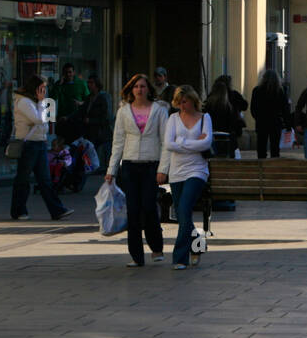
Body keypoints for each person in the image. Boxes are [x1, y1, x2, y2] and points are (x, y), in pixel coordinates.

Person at [105, 73, 170, 265]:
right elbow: (118, 142)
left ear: (149, 89)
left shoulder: (159, 110)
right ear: (130, 90)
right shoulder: (124, 112)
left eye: (142, 86)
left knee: (149, 207)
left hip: (151, 165)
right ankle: (136, 256)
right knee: (132, 211)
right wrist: (111, 170)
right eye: (136, 87)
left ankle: (156, 247)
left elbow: (166, 142)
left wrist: (163, 168)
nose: (139, 90)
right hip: (130, 165)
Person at [158, 85, 213, 269]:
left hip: (197, 170)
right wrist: (192, 143)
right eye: (179, 102)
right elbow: (168, 144)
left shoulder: (205, 118)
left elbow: (206, 142)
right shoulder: (173, 119)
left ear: (193, 100)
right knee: (183, 215)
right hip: (176, 172)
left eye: (185, 101)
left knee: (184, 207)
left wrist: (180, 142)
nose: (182, 106)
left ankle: (179, 258)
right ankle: (198, 242)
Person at [10, 76, 73, 221]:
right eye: (41, 88)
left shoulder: (36, 102)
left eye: (45, 88)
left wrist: (42, 104)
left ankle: (57, 210)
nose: (44, 92)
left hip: (39, 143)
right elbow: (38, 119)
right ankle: (18, 210)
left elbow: (46, 120)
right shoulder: (24, 102)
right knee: (23, 179)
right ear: (35, 88)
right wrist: (41, 102)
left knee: (45, 180)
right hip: (29, 144)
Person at [250, 68, 292, 159]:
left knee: (261, 147)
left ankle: (261, 166)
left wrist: (257, 118)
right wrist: (288, 124)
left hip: (262, 122)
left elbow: (253, 109)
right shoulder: (280, 91)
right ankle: (273, 167)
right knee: (275, 147)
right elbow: (285, 109)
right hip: (275, 122)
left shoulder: (257, 91)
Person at [79, 74, 114, 174]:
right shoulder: (89, 97)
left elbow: (107, 117)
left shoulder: (104, 97)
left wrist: (91, 121)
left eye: (91, 83)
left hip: (102, 131)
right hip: (91, 132)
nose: (89, 85)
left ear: (97, 84)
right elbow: (82, 110)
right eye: (88, 83)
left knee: (103, 153)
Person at [49, 63, 89, 142]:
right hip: (62, 119)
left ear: (74, 72)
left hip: (76, 119)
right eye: (66, 73)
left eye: (70, 72)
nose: (68, 74)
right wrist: (59, 85)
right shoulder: (59, 84)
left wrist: (80, 103)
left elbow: (88, 100)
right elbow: (52, 98)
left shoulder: (81, 83)